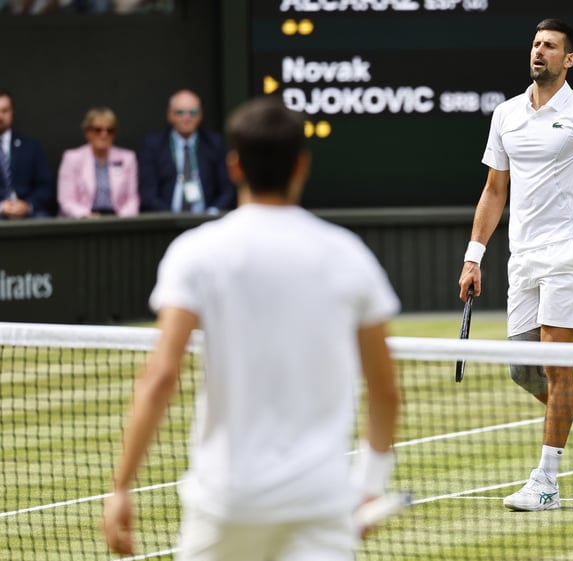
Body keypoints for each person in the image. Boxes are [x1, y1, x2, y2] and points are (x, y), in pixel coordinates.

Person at [103, 96, 401, 561]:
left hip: (227, 502)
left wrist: (121, 486)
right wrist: (369, 485)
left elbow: (161, 375)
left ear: (234, 166)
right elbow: (385, 390)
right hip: (319, 504)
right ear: (302, 165)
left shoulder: (195, 252)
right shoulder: (349, 255)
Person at [457, 18, 573, 512]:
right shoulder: (505, 115)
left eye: (550, 46)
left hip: (569, 254)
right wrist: (473, 257)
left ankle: (545, 480)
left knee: (555, 364)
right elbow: (494, 190)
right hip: (523, 258)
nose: (538, 51)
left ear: (569, 60)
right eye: (535, 44)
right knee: (522, 370)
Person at [138, 89, 237, 214]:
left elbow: (228, 189)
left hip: (207, 222)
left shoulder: (214, 143)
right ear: (170, 115)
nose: (186, 117)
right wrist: (170, 218)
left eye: (193, 112)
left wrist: (212, 213)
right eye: (180, 112)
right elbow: (148, 194)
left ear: (201, 115)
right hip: (166, 222)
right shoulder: (154, 145)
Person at [57, 107, 139, 218]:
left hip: (118, 220)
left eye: (110, 130)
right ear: (87, 132)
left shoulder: (127, 158)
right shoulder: (72, 158)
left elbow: (132, 199)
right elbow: (66, 200)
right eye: (98, 130)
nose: (104, 134)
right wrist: (87, 215)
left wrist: (120, 219)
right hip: (82, 221)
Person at [0, 90, 54, 219]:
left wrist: (27, 205)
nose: (0, 116)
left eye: (5, 111)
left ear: (12, 112)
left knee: (44, 222)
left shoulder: (30, 146)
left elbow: (45, 185)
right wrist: (1, 207)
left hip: (29, 212)